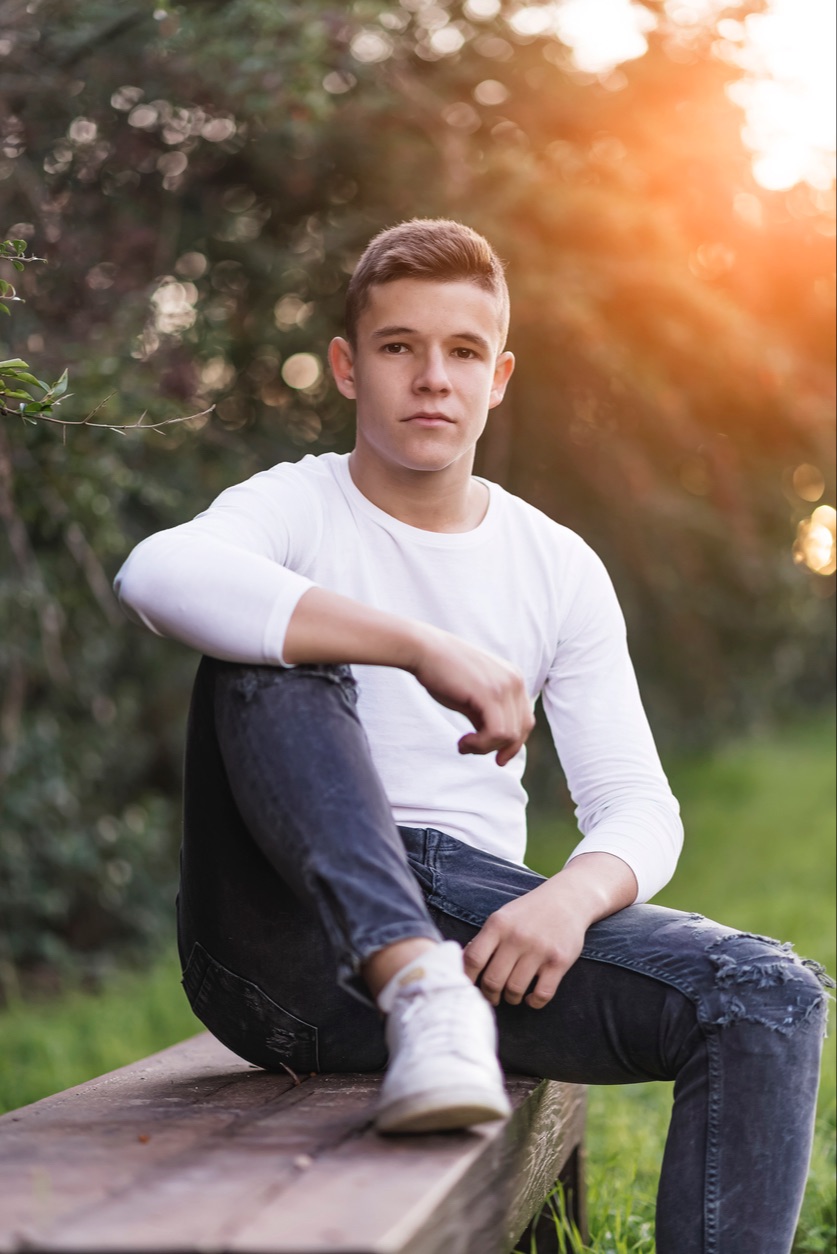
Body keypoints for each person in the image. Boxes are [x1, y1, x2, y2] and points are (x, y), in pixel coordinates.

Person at [115, 219, 828, 1253]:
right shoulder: (296, 507)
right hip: (277, 943)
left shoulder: (556, 564)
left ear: (498, 379)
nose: (431, 379)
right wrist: (417, 646)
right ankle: (412, 979)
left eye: (461, 352)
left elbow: (638, 803)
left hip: (477, 937)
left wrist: (569, 899)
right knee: (269, 642)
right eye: (399, 347)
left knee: (770, 997)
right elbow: (156, 574)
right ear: (349, 368)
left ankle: (436, 992)